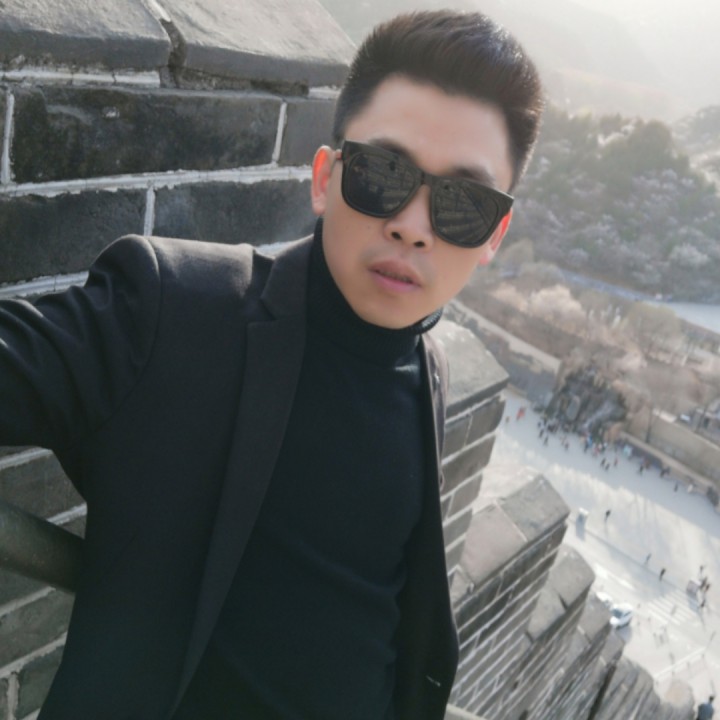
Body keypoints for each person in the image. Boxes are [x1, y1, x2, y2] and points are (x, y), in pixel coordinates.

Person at [0, 9, 543, 720]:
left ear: (494, 234)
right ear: (324, 178)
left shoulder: (427, 370)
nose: (412, 227)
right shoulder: (174, 311)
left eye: (463, 205)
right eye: (382, 173)